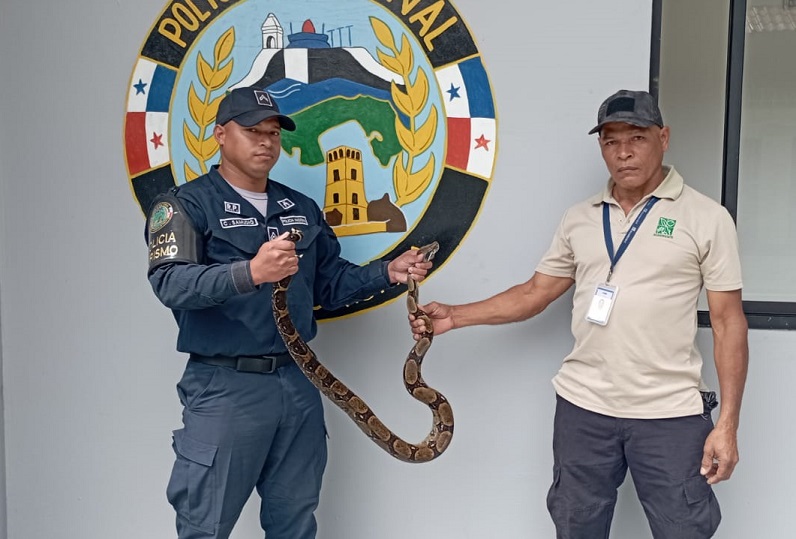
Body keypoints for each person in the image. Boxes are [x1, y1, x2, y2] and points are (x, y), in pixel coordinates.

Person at [409, 89, 748, 538]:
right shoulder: (580, 218)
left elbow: (728, 323)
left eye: (637, 138)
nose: (623, 152)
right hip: (584, 410)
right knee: (576, 528)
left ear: (663, 138)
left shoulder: (707, 218)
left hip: (669, 413)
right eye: (610, 141)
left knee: (684, 529)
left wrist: (727, 425)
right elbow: (535, 292)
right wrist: (455, 315)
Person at [146, 85, 433, 539]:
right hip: (225, 387)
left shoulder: (299, 208)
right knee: (205, 524)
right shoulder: (184, 204)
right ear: (220, 134)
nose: (265, 142)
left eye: (274, 133)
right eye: (252, 131)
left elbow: (329, 284)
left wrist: (387, 272)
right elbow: (171, 283)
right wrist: (251, 272)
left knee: (295, 520)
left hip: (298, 382)